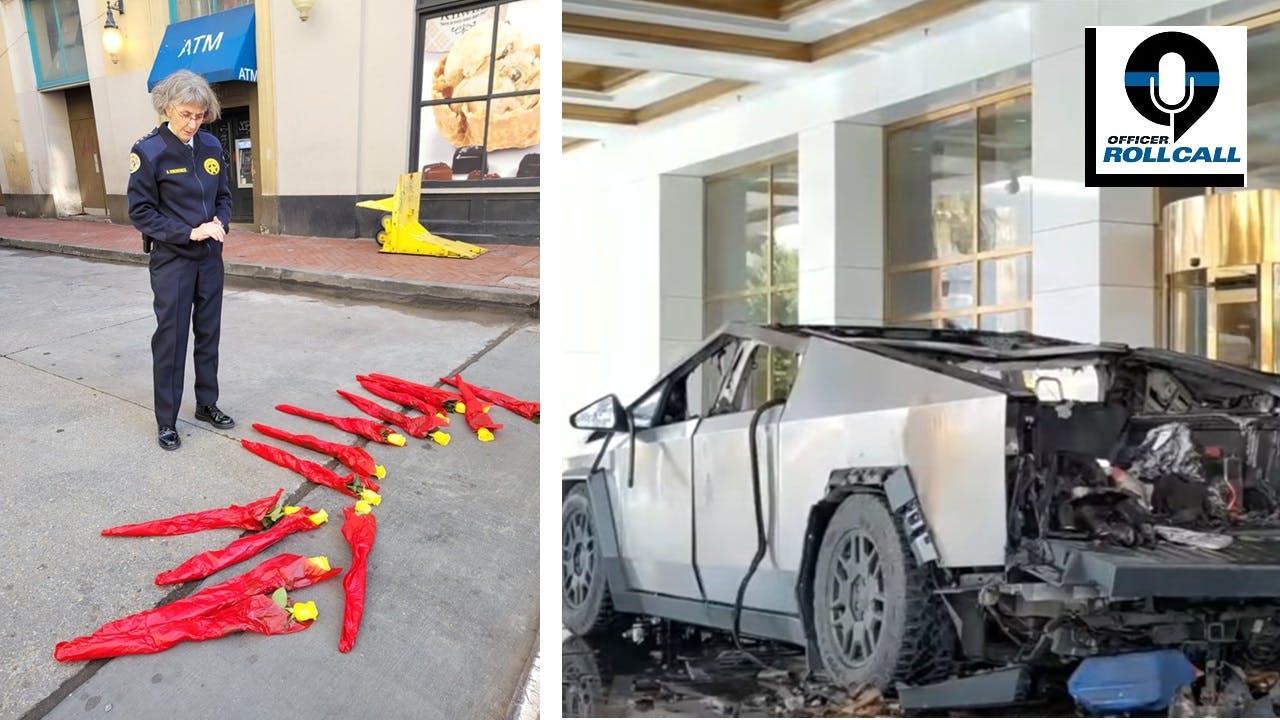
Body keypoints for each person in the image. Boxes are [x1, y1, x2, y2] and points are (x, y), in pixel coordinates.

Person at [127, 69, 235, 450]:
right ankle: (167, 421)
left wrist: (221, 221)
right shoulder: (149, 151)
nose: (193, 123)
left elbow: (224, 194)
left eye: (200, 115)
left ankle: (207, 403)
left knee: (209, 335)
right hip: (173, 261)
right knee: (171, 341)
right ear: (167, 107)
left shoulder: (210, 146)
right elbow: (140, 212)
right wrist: (188, 232)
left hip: (209, 259)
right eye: (186, 114)